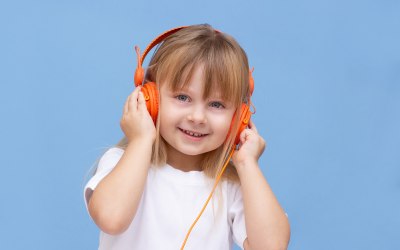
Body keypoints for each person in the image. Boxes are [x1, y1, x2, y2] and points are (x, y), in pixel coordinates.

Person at [84, 24, 290, 250]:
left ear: (239, 117)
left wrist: (248, 165)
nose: (197, 117)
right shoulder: (121, 162)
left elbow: (272, 247)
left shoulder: (230, 186)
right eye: (182, 97)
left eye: (216, 104)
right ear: (149, 98)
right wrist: (141, 140)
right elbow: (111, 219)